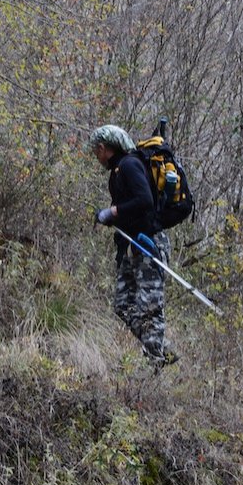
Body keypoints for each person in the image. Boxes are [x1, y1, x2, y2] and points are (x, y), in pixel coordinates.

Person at [90, 124, 176, 366]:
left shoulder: (129, 165)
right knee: (123, 305)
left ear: (103, 147)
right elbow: (130, 210)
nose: (96, 156)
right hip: (131, 246)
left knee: (150, 308)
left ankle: (154, 366)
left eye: (96, 151)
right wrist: (112, 218)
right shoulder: (116, 172)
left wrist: (114, 211)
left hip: (149, 245)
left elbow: (144, 200)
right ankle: (161, 347)